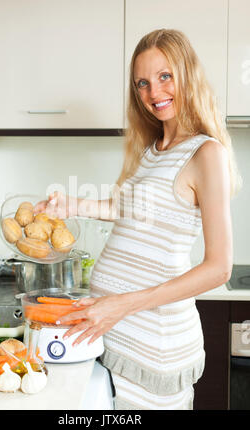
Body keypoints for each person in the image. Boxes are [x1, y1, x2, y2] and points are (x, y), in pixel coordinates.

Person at [35, 29, 241, 410]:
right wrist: (71, 205)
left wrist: (122, 304)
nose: (154, 93)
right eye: (142, 83)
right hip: (118, 335)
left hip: (154, 345)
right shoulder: (155, 149)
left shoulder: (205, 153)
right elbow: (127, 209)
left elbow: (219, 269)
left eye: (165, 77)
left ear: (187, 75)